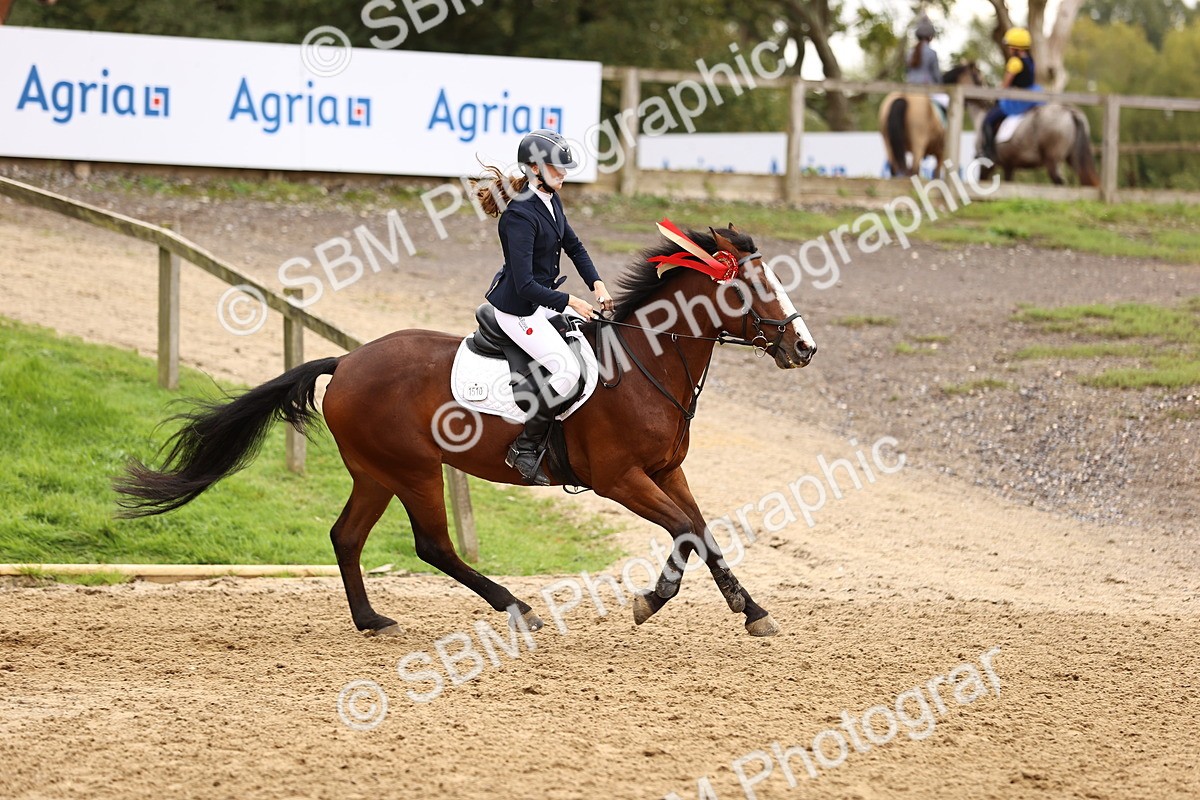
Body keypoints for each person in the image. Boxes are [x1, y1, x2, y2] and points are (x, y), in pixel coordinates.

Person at [473, 129, 613, 486]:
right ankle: (525, 446)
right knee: (567, 372)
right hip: (519, 310)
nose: (564, 174)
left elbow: (574, 245)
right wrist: (571, 301)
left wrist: (596, 283)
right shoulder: (518, 215)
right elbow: (525, 285)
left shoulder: (550, 199)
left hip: (542, 302)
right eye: (557, 168)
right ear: (535, 168)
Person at [981, 27, 1041, 160]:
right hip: (1032, 95)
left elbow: (1005, 86)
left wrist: (995, 94)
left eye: (1009, 46)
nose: (1008, 49)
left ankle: (988, 152)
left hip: (1017, 100)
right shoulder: (1030, 60)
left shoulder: (1014, 62)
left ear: (1015, 47)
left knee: (988, 121)